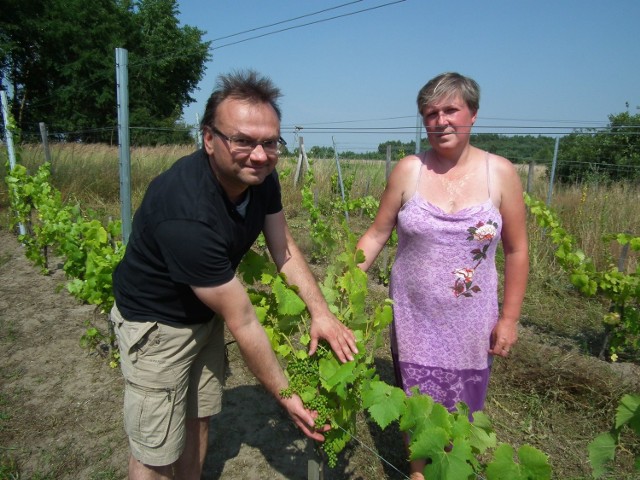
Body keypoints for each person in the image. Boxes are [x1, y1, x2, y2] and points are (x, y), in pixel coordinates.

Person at [110, 69, 358, 480]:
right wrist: (289, 398)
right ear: (209, 139)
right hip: (155, 325)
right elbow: (242, 320)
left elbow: (284, 249)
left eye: (269, 143)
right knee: (156, 451)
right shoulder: (186, 211)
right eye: (241, 140)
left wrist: (322, 313)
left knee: (198, 417)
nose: (259, 155)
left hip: (203, 315)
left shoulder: (260, 178)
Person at [356, 72, 529, 479]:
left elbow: (517, 250)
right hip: (414, 318)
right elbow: (377, 234)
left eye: (451, 110)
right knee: (418, 410)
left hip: (471, 325)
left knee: (462, 415)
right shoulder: (409, 170)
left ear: (473, 114)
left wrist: (509, 318)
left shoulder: (499, 173)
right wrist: (336, 287)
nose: (440, 121)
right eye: (430, 113)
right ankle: (419, 473)